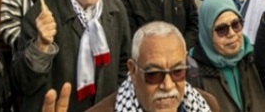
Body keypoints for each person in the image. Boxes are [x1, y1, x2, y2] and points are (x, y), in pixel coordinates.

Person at [13, 0, 131, 112]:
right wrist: (40, 47)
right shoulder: (42, 13)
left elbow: (124, 64)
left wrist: (115, 102)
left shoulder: (116, 8)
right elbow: (22, 82)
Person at [83, 22, 221, 112]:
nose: (168, 86)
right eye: (154, 74)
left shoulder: (207, 104)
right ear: (133, 70)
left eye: (177, 72)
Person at [192, 0, 265, 112]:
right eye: (221, 29)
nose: (231, 34)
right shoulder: (192, 72)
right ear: (206, 33)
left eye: (236, 25)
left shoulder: (258, 59)